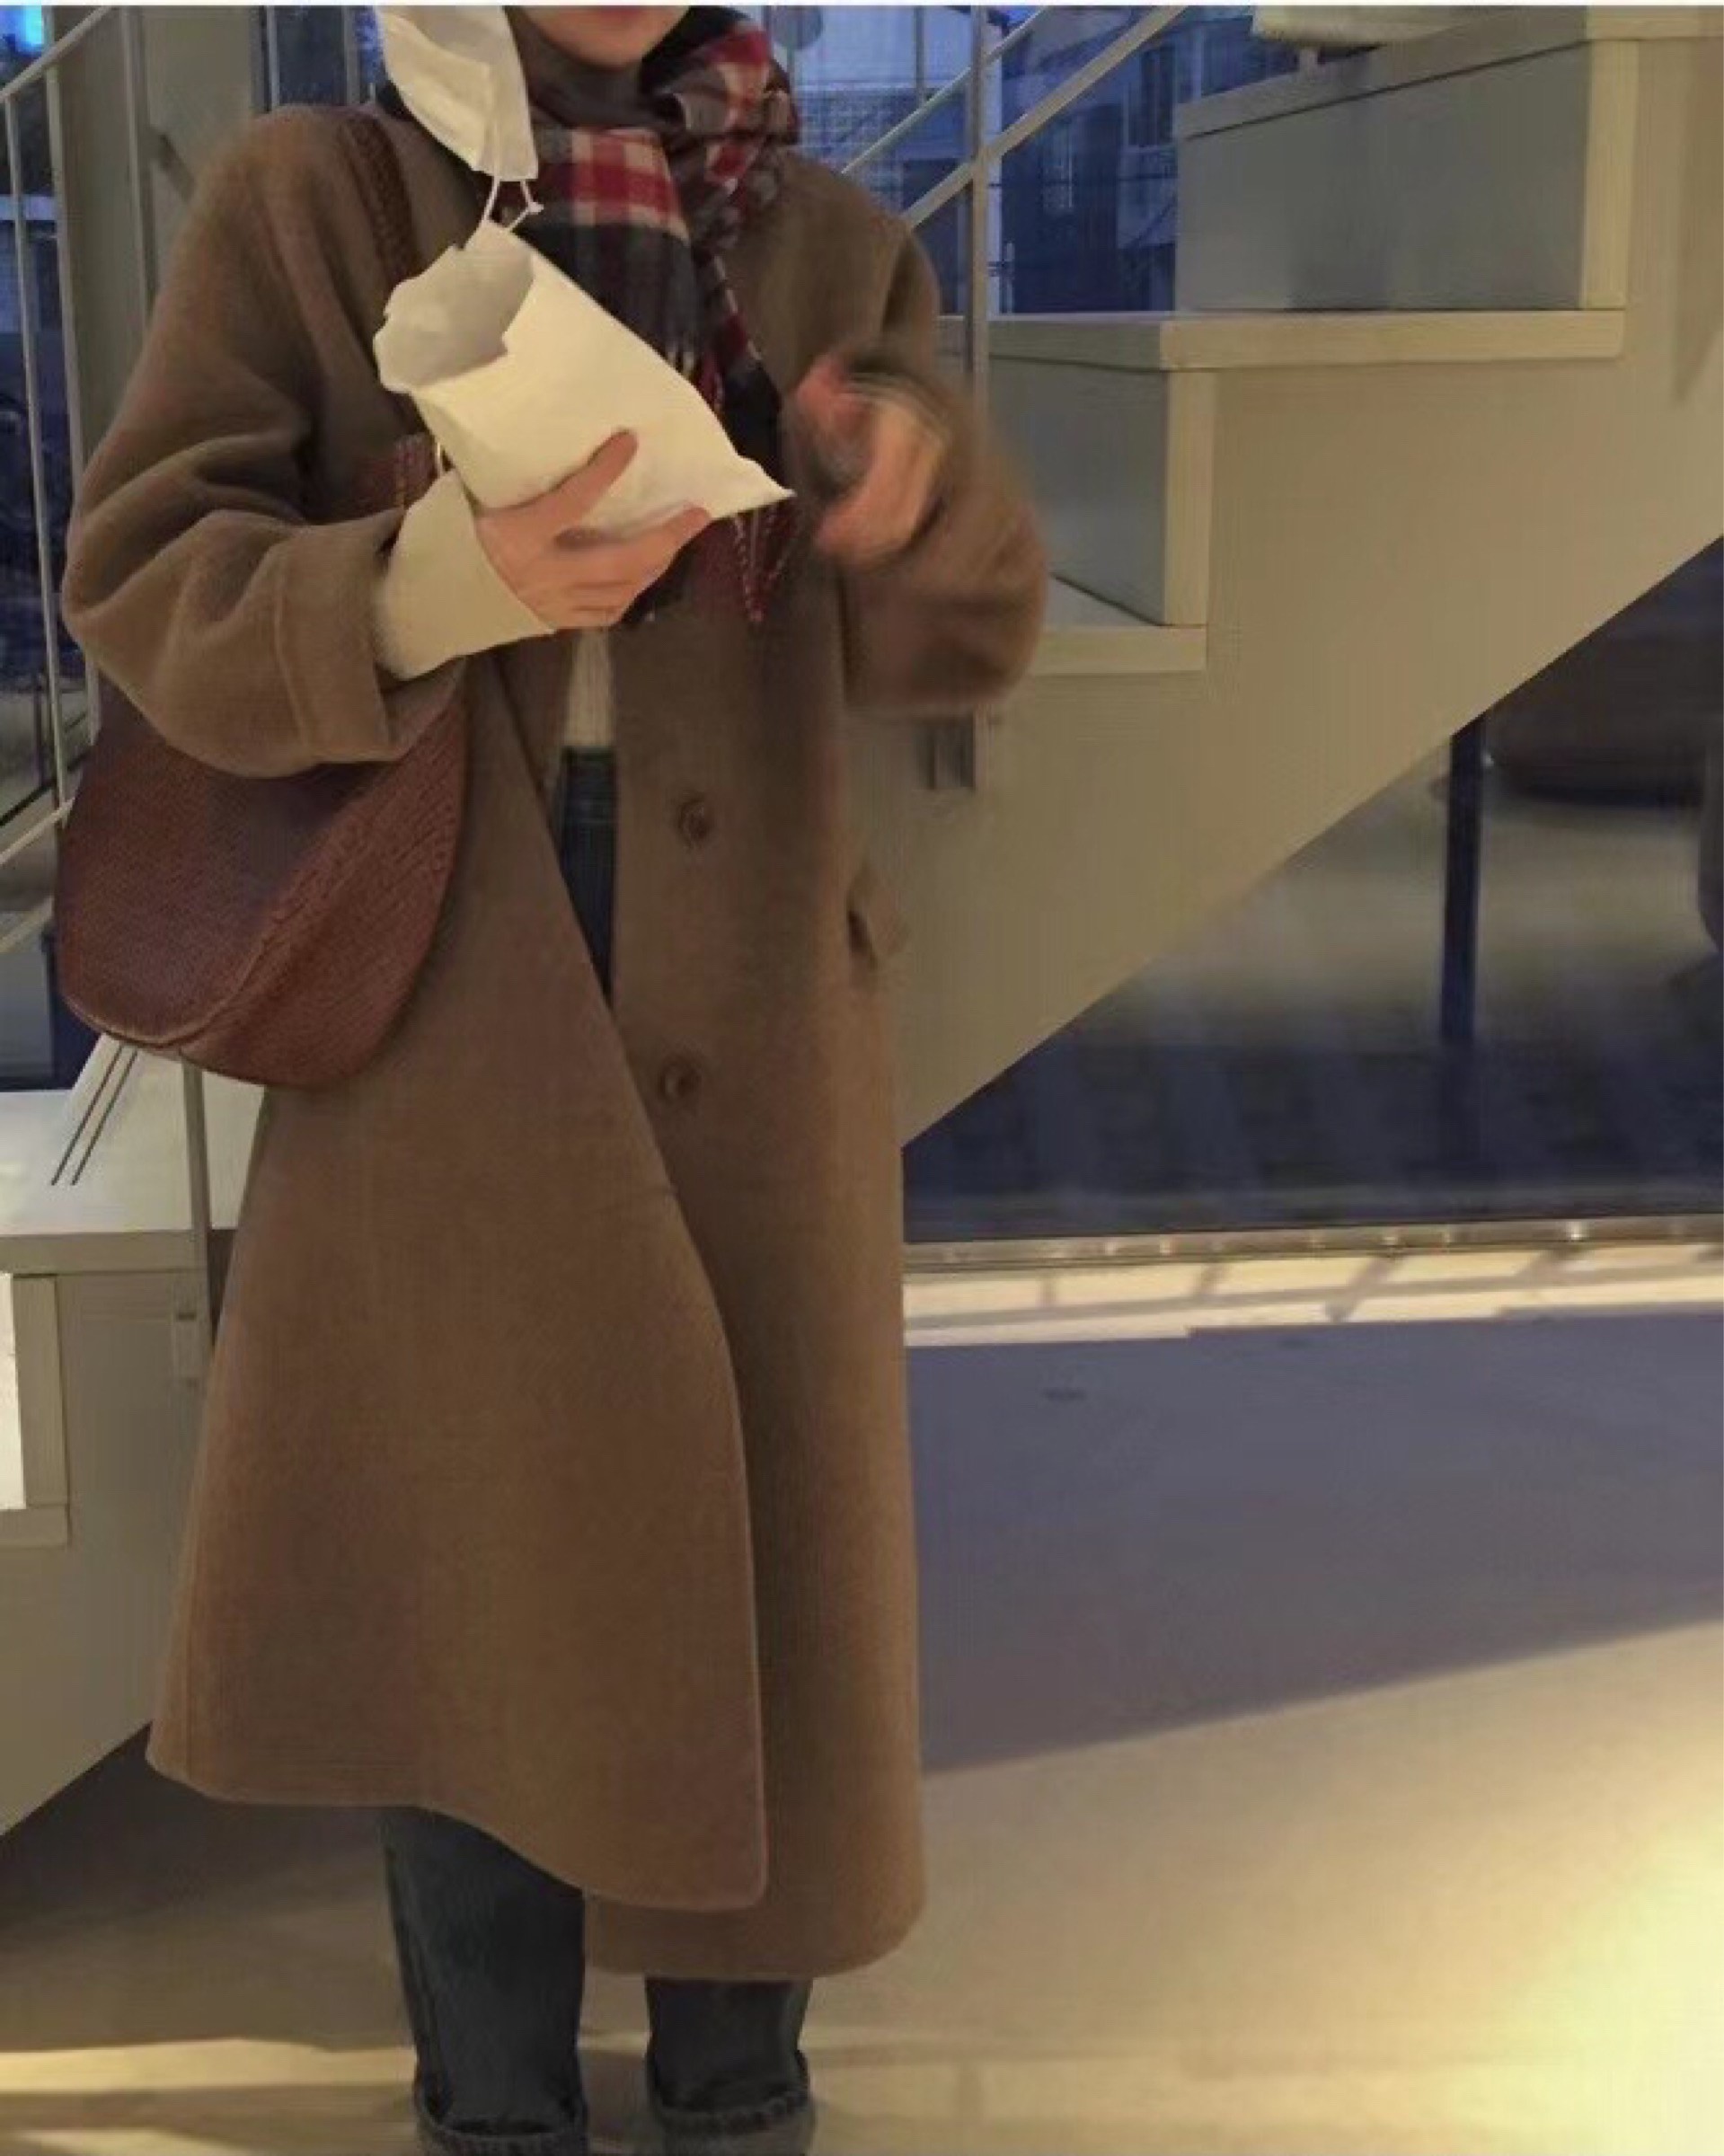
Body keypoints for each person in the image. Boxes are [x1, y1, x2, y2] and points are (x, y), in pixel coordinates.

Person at [62, 8, 1045, 2152]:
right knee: (474, 1564)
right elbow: (139, 572)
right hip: (447, 972)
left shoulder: (829, 239)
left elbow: (965, 643)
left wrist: (914, 504)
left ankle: (740, 2098)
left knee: (757, 1548)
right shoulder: (314, 200)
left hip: (754, 979)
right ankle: (494, 2115)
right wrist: (442, 581)